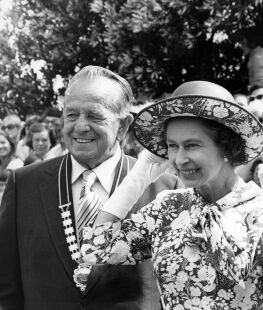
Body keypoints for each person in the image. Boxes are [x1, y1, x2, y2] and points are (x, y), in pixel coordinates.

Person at [80, 80, 263, 310]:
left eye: (192, 145)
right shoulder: (169, 207)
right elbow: (96, 247)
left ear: (227, 147)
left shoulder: (262, 209)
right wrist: (138, 176)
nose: (180, 159)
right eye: (173, 146)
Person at [0, 65, 180, 310]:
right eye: (72, 115)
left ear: (124, 126)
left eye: (94, 116)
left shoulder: (165, 189)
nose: (80, 126)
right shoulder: (24, 185)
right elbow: (7, 288)